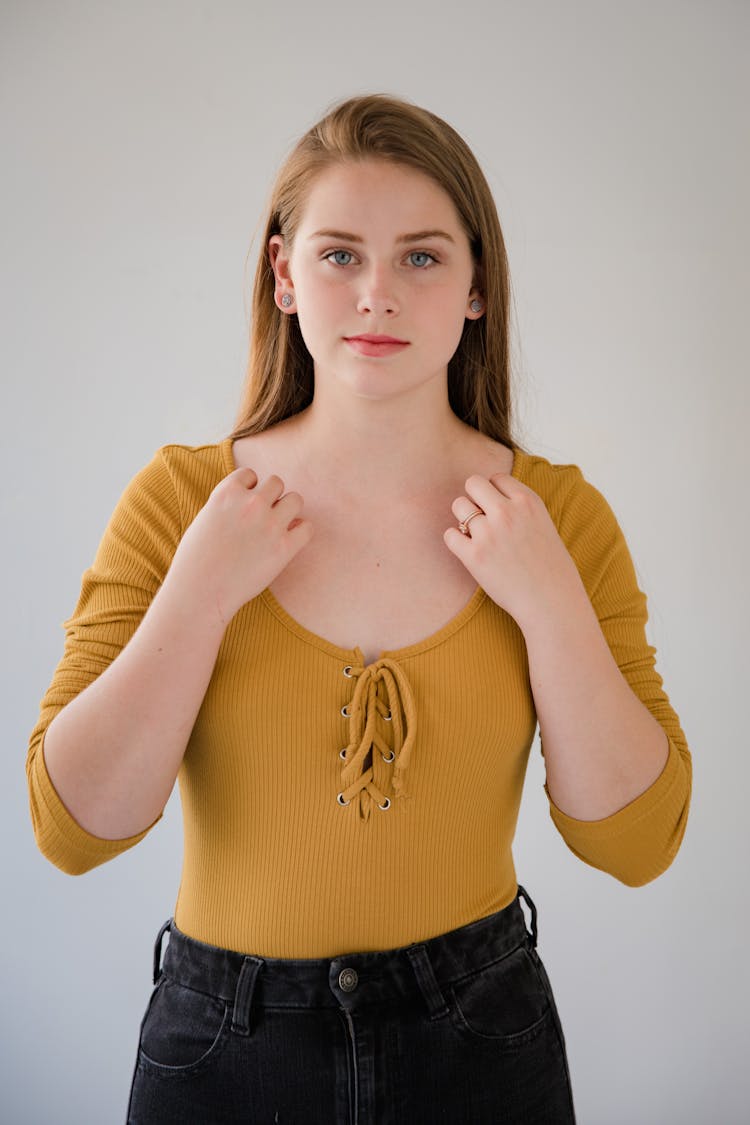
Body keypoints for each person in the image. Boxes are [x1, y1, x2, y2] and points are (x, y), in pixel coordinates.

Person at [26, 93, 691, 1124]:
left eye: (422, 258)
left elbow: (638, 846)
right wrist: (200, 594)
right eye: (340, 255)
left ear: (476, 287)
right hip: (225, 1051)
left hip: (482, 1042)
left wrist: (550, 602)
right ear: (284, 275)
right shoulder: (177, 504)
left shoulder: (560, 516)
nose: (377, 293)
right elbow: (72, 831)